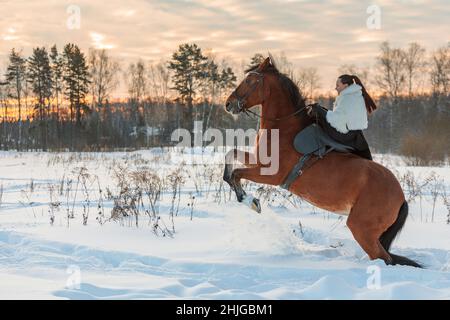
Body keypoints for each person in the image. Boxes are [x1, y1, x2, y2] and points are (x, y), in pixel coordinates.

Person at [306, 74, 376, 160]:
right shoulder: (355, 95)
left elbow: (337, 120)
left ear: (345, 86)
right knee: (320, 111)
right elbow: (341, 117)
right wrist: (323, 110)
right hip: (355, 135)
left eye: (338, 85)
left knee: (317, 115)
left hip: (346, 135)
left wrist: (319, 110)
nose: (336, 88)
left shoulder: (347, 98)